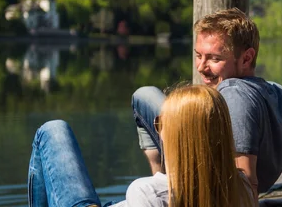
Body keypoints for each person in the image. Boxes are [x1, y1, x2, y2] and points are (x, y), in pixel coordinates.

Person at [132, 8, 282, 206]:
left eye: (214, 58)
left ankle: (166, 187)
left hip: (211, 188)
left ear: (246, 58)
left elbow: (246, 181)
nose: (201, 67)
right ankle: (165, 182)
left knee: (143, 95)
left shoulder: (234, 92)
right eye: (199, 55)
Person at [28, 85, 255, 207]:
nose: (156, 127)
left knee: (52, 131)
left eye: (160, 123)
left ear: (177, 138)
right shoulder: (240, 186)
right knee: (144, 95)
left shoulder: (147, 192)